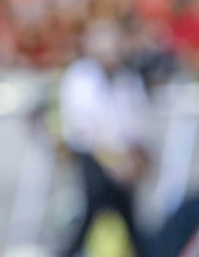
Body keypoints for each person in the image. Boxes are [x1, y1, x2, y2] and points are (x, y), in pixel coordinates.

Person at [59, 17, 151, 256]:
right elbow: (85, 128)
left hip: (124, 161)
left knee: (129, 223)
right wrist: (112, 161)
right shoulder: (80, 78)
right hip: (94, 159)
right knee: (90, 218)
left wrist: (132, 159)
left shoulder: (127, 79)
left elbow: (135, 122)